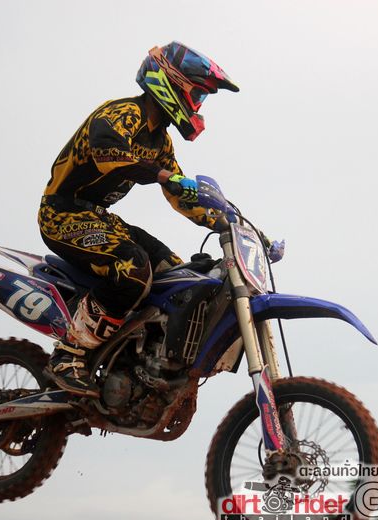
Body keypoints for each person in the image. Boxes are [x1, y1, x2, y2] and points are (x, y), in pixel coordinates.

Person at [38, 42, 239, 396]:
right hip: (62, 213)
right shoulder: (123, 112)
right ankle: (68, 354)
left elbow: (180, 194)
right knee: (132, 268)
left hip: (99, 218)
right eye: (197, 95)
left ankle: (137, 362)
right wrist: (163, 176)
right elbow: (108, 152)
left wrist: (231, 225)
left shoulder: (161, 142)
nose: (198, 105)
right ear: (172, 83)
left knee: (180, 278)